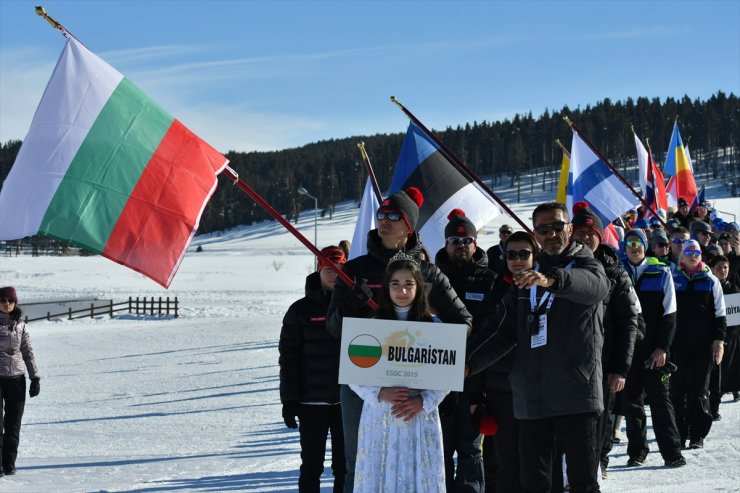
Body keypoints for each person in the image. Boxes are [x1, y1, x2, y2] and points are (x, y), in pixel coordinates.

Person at [326, 187, 472, 492]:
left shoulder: (430, 273)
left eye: (394, 216)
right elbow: (335, 329)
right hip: (366, 386)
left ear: (409, 226)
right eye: (382, 214)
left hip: (416, 388)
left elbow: (462, 324)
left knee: (417, 465)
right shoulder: (354, 272)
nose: (384, 220)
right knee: (362, 463)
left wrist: (426, 331)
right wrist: (351, 306)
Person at [466, 202, 609, 493]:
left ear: (570, 229)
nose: (552, 233)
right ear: (536, 233)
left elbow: (594, 287)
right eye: (544, 229)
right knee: (535, 484)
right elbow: (500, 331)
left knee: (582, 483)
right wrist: (468, 363)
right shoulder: (526, 278)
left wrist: (552, 280)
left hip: (575, 393)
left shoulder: (587, 264)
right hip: (532, 398)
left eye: (558, 226)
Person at [350, 255, 448, 493]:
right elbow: (355, 373)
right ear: (387, 287)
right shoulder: (371, 326)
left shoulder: (434, 326)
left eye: (408, 284)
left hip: (419, 415)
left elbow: (446, 374)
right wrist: (380, 392)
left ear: (418, 287)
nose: (402, 290)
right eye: (396, 284)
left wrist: (423, 401)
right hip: (381, 415)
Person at [570, 204, 638, 480]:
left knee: (600, 419)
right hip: (566, 362)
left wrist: (620, 368)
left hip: (603, 362)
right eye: (580, 232)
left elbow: (629, 322)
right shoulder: (560, 266)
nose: (585, 238)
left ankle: (597, 464)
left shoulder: (616, 273)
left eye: (591, 233)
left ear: (600, 236)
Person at [434, 209, 495, 493]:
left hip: (475, 374)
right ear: (446, 244)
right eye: (455, 241)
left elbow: (495, 328)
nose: (461, 245)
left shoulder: (489, 279)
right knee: (440, 447)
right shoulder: (431, 278)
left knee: (471, 447)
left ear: (475, 242)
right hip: (436, 374)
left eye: (466, 240)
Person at [279, 246, 348, 492]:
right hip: (312, 403)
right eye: (329, 269)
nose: (335, 275)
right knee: (311, 466)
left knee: (345, 467)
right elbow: (288, 359)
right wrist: (289, 399)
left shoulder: (353, 307)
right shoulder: (299, 310)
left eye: (340, 270)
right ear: (318, 271)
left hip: (346, 402)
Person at [478, 231, 539, 493]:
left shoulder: (548, 288)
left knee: (537, 460)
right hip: (501, 389)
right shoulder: (494, 290)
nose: (517, 260)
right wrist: (476, 392)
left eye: (524, 254)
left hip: (540, 388)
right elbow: (481, 340)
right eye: (511, 254)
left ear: (535, 256)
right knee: (506, 460)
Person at [620, 229, 686, 468]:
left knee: (660, 399)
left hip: (654, 349)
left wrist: (662, 348)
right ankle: (637, 451)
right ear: (624, 247)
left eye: (638, 243)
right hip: (628, 349)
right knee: (631, 401)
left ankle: (672, 452)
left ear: (645, 246)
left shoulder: (662, 272)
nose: (634, 247)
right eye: (630, 243)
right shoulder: (619, 273)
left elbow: (670, 314)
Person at [670, 240, 726, 450]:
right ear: (682, 256)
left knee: (699, 390)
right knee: (678, 391)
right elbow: (666, 312)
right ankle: (680, 432)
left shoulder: (711, 280)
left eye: (696, 252)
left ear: (701, 256)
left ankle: (697, 434)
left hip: (703, 345)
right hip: (678, 344)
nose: (692, 255)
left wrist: (719, 342)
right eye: (688, 252)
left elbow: (720, 314)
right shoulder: (673, 279)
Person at [0, 286, 40, 477]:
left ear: (15, 303)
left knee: (13, 424)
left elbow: (28, 351)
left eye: (10, 300)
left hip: (17, 380)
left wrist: (35, 377)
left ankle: (9, 463)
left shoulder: (21, 325)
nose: (6, 304)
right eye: (2, 301)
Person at [709, 256, 740, 403]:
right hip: (711, 332)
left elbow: (734, 316)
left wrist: (727, 336)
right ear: (712, 269)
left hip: (730, 334)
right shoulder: (709, 286)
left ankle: (731, 388)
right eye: (719, 267)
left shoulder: (733, 288)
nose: (723, 270)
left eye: (725, 267)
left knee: (730, 363)